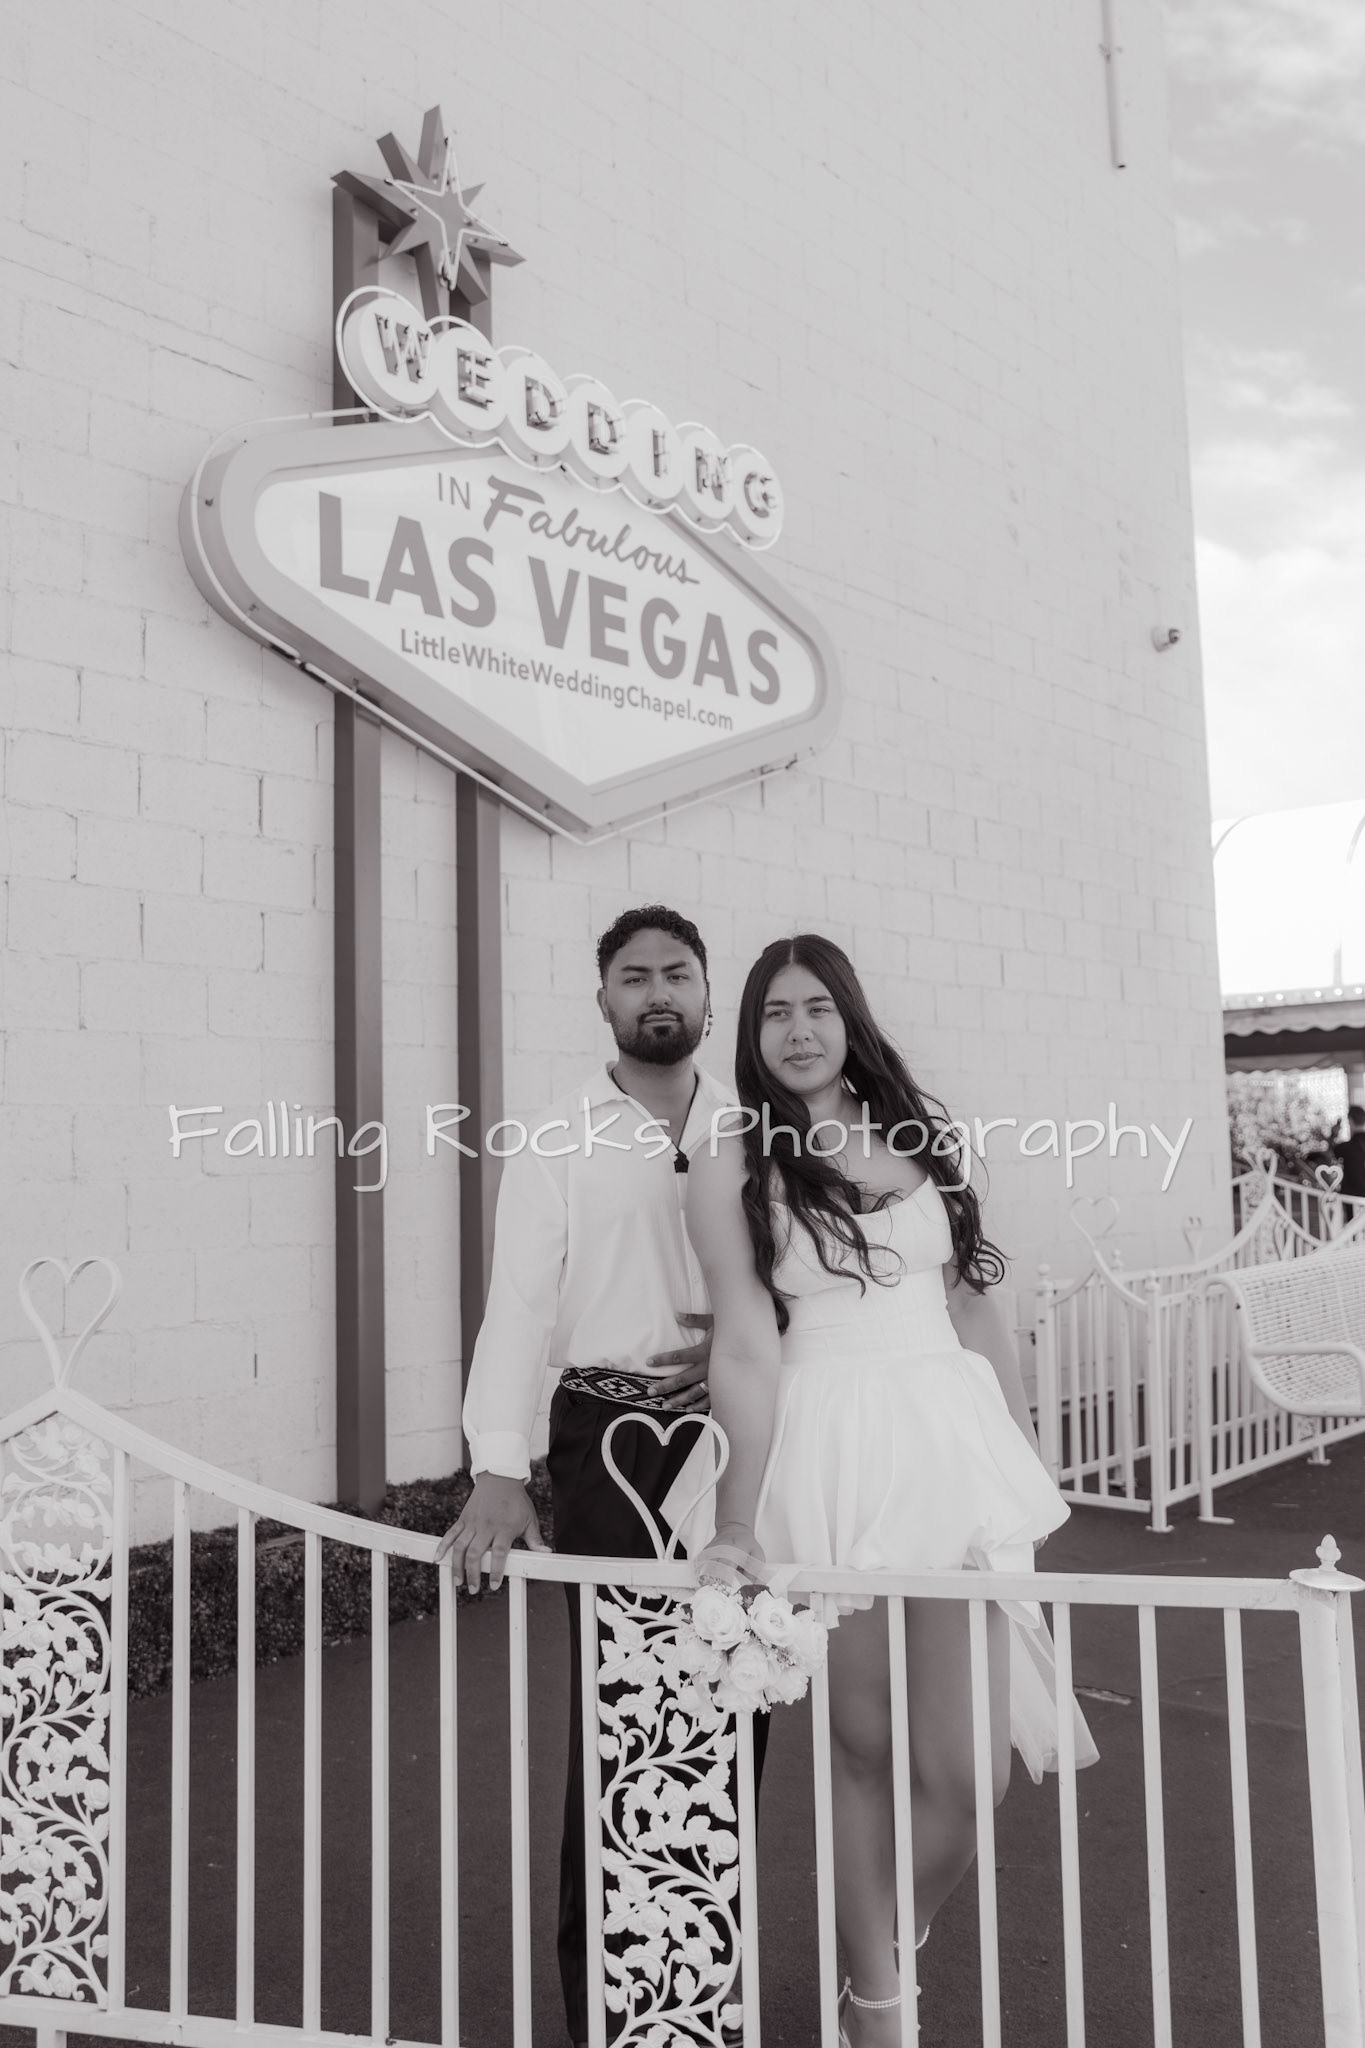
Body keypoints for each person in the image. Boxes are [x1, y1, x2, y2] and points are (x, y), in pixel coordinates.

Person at [685, 933, 1096, 2046]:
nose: (799, 1029)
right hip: (828, 1449)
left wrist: (1020, 1463)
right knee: (861, 1751)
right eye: (775, 1012)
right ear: (752, 1035)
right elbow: (745, 1347)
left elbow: (970, 1303)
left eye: (817, 1006)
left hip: (947, 1453)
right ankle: (875, 2006)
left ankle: (885, 1941)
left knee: (967, 1777)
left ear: (850, 1017)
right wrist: (737, 1518)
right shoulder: (732, 1159)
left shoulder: (917, 1133)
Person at [435, 904, 761, 2048]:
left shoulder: (754, 1125)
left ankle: (701, 1992)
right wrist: (499, 1464)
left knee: (736, 1701)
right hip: (609, 1438)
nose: (657, 990)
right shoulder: (557, 1135)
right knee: (627, 1715)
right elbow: (518, 1306)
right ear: (604, 998)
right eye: (634, 975)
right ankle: (612, 2012)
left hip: (737, 1440)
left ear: (709, 992)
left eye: (678, 972)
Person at [1334, 1103, 1365, 1201]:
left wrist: (1333, 1135)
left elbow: (1329, 1155)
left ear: (1350, 1121)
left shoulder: (1347, 1147)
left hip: (1352, 1197)